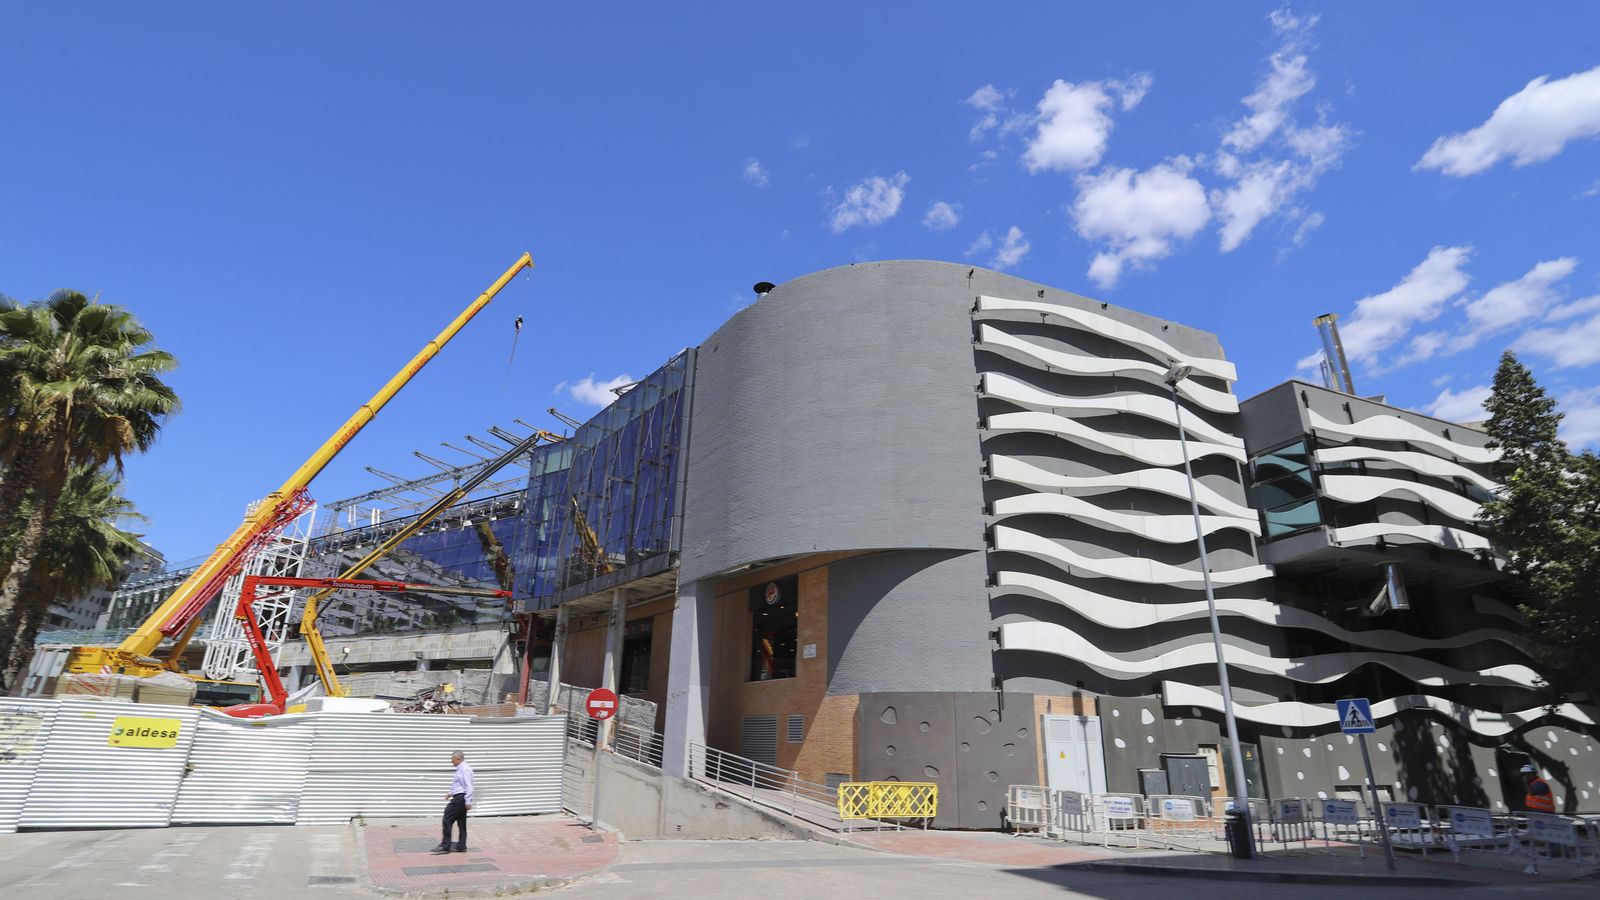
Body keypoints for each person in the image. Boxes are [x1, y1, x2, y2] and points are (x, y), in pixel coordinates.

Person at [434, 750, 474, 853]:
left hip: (460, 799)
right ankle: (461, 846)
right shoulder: (461, 768)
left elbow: (468, 785)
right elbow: (459, 784)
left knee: (447, 818)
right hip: (460, 797)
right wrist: (450, 793)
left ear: (458, 759)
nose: (451, 762)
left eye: (452, 760)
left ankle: (445, 845)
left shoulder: (464, 769)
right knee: (461, 822)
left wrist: (468, 801)